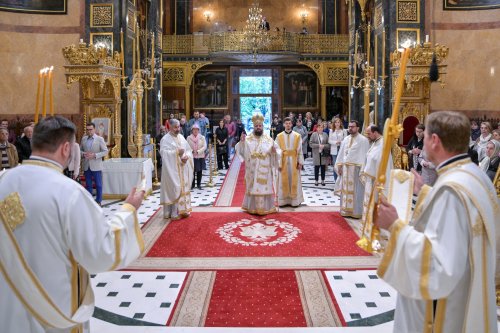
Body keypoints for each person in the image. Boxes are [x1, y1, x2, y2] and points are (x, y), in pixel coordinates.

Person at [0, 116, 145, 333]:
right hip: (52, 309)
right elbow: (101, 252)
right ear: (66, 148)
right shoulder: (68, 193)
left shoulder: (4, 180)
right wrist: (128, 210)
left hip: (8, 308)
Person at [376, 111, 498, 333]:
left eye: (426, 137)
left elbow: (440, 265)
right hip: (471, 293)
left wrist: (395, 226)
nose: (422, 143)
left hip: (448, 309)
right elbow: (461, 226)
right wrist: (425, 192)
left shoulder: (451, 189)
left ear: (434, 141)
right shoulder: (474, 176)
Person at [235, 113, 281, 215]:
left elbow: (278, 150)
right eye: (256, 126)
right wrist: (241, 142)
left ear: (262, 126)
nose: (258, 127)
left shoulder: (268, 139)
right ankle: (252, 207)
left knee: (263, 189)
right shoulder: (248, 139)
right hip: (252, 169)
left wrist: (274, 151)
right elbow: (240, 151)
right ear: (254, 127)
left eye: (260, 126)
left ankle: (266, 207)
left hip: (265, 170)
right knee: (253, 188)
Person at [359, 125, 391, 235]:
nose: (367, 136)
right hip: (371, 179)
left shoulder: (382, 145)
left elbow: (382, 165)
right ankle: (370, 225)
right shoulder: (375, 143)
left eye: (368, 133)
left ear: (375, 132)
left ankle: (377, 228)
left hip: (377, 181)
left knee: (376, 204)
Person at [334, 120, 370, 218]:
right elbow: (341, 153)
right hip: (346, 170)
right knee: (345, 190)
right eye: (349, 126)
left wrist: (363, 169)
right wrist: (340, 165)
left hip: (357, 169)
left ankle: (356, 212)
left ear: (358, 128)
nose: (350, 128)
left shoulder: (363, 140)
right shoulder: (346, 139)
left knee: (357, 191)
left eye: (352, 126)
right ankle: (345, 210)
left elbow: (365, 156)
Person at [160, 119, 194, 220]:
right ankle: (172, 212)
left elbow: (188, 150)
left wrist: (186, 157)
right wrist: (176, 152)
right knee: (174, 188)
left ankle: (183, 210)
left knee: (183, 188)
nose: (178, 129)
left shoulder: (181, 137)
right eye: (175, 127)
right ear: (169, 127)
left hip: (182, 167)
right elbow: (163, 153)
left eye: (179, 127)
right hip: (172, 170)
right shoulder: (165, 139)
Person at [275, 117, 304, 207]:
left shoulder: (297, 136)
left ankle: (294, 201)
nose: (288, 125)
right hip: (283, 161)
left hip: (294, 161)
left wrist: (300, 162)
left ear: (292, 124)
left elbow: (300, 150)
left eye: (289, 123)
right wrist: (278, 163)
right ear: (284, 124)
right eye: (286, 123)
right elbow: (277, 150)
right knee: (283, 180)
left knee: (293, 180)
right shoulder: (279, 136)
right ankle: (283, 201)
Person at [81, 122, 108, 206]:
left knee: (98, 184)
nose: (89, 131)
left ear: (94, 129)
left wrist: (95, 155)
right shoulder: (84, 139)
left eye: (91, 129)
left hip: (96, 165)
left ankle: (98, 201)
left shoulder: (100, 139)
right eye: (88, 130)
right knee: (88, 185)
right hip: (86, 165)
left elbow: (105, 151)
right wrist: (83, 154)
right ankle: (90, 202)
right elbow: (80, 150)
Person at [187, 123, 206, 190]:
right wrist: (191, 151)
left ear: (198, 130)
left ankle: (199, 184)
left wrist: (199, 151)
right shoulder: (189, 138)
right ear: (192, 130)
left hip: (200, 156)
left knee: (199, 171)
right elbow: (187, 146)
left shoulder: (202, 137)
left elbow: (204, 146)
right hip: (192, 156)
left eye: (196, 129)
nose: (195, 131)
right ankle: (192, 185)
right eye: (194, 129)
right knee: (192, 171)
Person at [328, 117, 348, 182]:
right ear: (334, 123)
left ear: (340, 123)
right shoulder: (331, 130)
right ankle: (336, 180)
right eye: (336, 122)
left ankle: (341, 180)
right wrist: (335, 142)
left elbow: (346, 140)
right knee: (335, 165)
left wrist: (341, 142)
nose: (337, 124)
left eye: (338, 122)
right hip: (334, 150)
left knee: (341, 165)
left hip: (341, 149)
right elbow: (329, 140)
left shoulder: (344, 130)